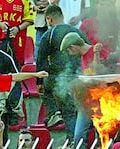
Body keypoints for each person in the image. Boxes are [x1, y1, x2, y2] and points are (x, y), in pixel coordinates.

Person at [36, 5, 88, 136]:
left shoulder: (49, 34)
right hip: (78, 77)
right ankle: (77, 142)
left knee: (68, 111)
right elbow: (87, 50)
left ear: (49, 19)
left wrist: (39, 82)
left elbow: (41, 59)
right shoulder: (76, 32)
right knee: (76, 112)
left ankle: (54, 114)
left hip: (59, 79)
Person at [0, 0, 34, 65]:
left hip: (18, 38)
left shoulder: (25, 1)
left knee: (17, 62)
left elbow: (29, 20)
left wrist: (18, 29)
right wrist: (0, 24)